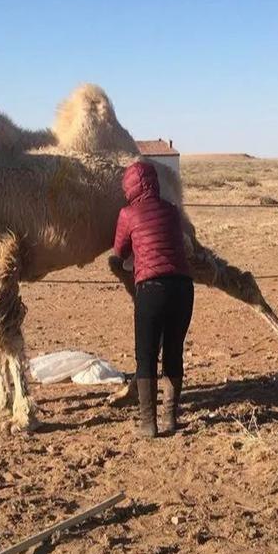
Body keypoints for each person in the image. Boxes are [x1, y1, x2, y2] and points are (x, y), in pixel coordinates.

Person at [113, 161, 194, 437]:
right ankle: (170, 418)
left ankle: (148, 423)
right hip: (183, 288)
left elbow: (120, 252)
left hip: (152, 289)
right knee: (173, 352)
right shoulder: (171, 211)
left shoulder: (127, 213)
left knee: (146, 356)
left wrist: (120, 267)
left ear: (129, 186)